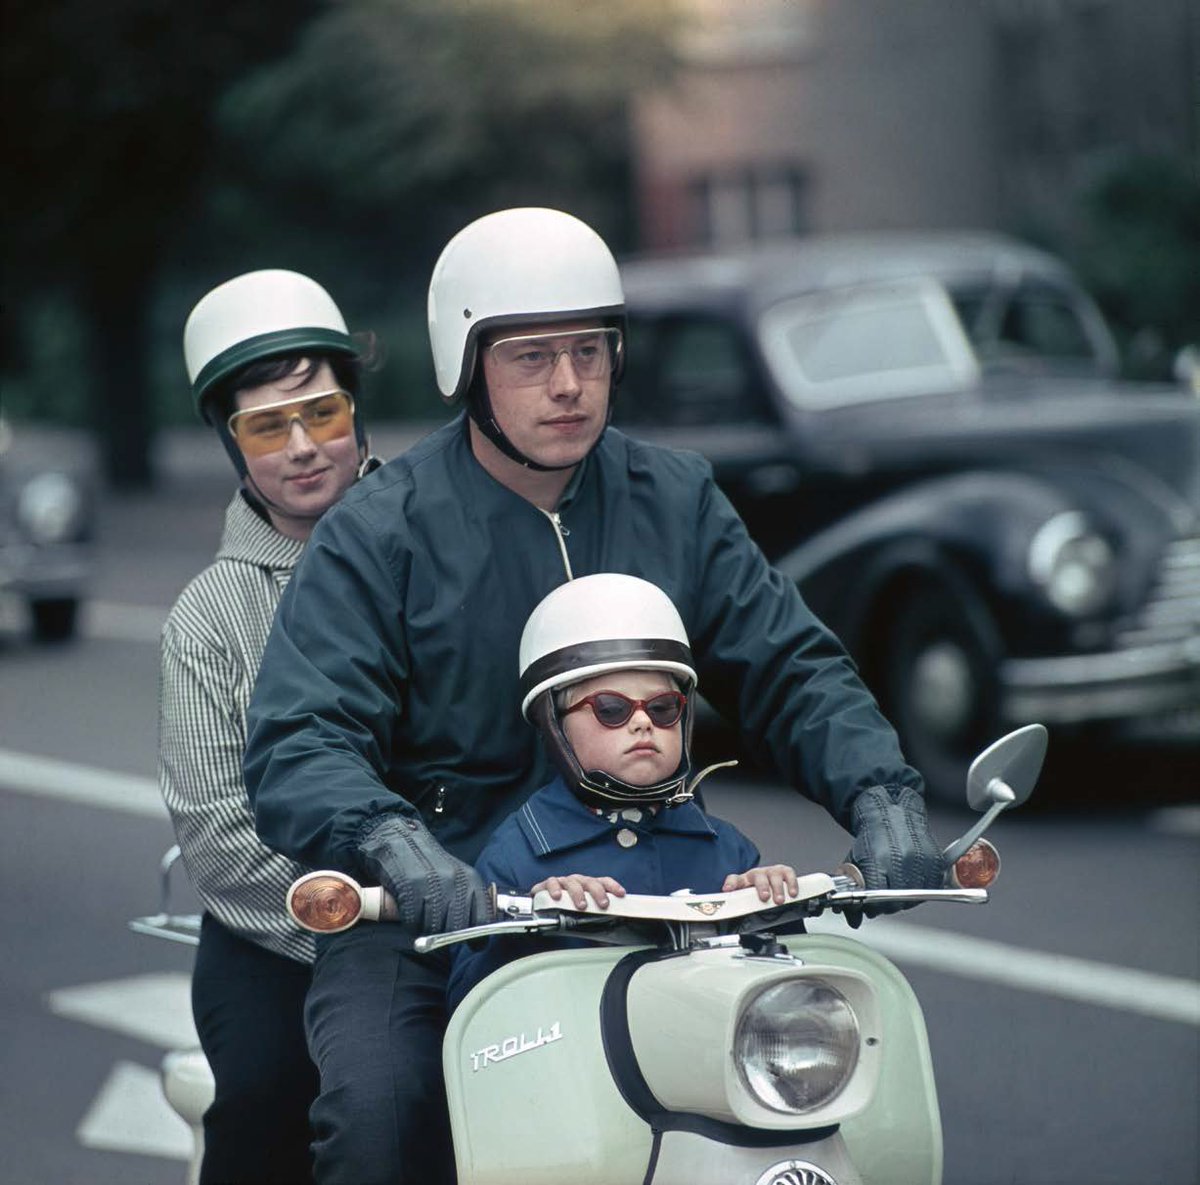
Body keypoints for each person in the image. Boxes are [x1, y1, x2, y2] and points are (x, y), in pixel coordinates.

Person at [243, 207, 945, 1185]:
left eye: (590, 351)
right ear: (468, 364)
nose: (569, 384)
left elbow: (791, 665)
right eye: (531, 357)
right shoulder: (381, 529)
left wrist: (881, 791)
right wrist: (394, 845)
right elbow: (299, 734)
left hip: (663, 888)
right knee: (381, 1109)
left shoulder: (677, 495)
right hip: (442, 912)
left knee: (827, 1086)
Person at [160, 269, 380, 1184]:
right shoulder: (207, 616)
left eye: (322, 412)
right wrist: (368, 917)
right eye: (265, 426)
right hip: (278, 936)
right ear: (229, 441)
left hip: (474, 910)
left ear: (356, 410)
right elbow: (219, 834)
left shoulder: (443, 544)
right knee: (263, 1100)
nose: (302, 447)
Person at [447, 573, 802, 1011]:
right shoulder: (519, 854)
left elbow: (785, 1001)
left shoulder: (728, 849)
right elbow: (470, 1007)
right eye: (611, 709)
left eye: (663, 708)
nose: (643, 722)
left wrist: (773, 910)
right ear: (555, 725)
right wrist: (532, 923)